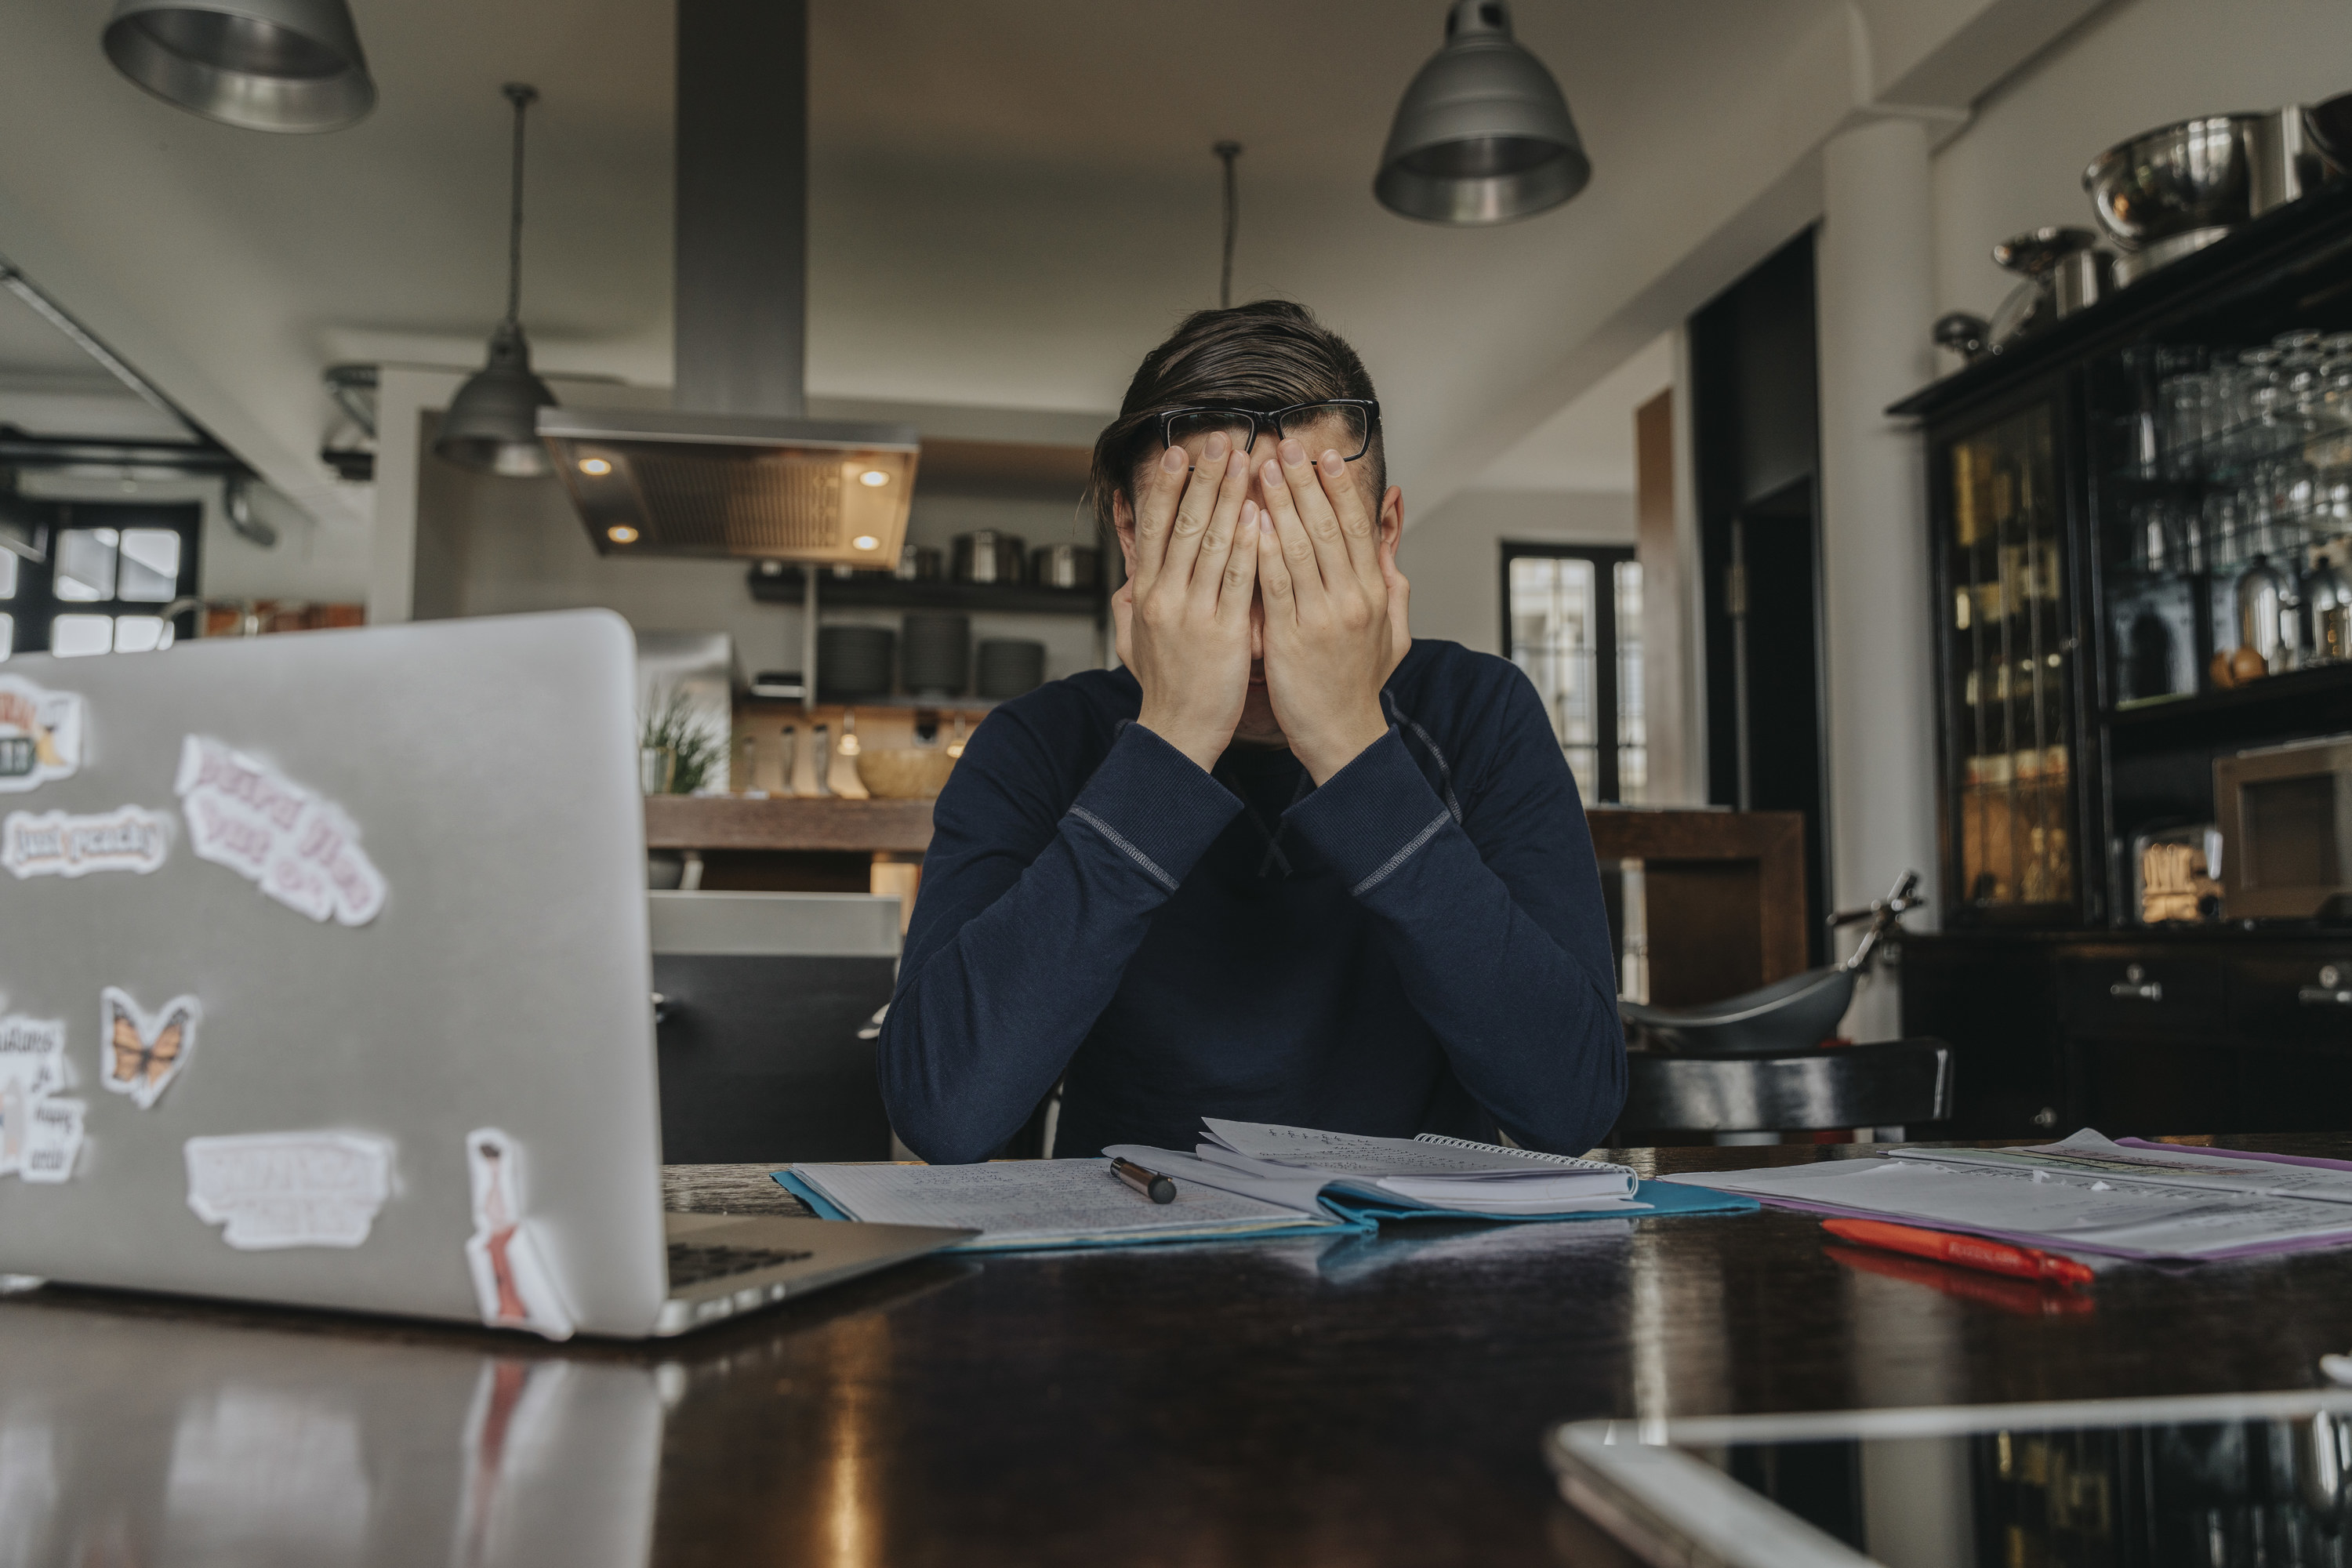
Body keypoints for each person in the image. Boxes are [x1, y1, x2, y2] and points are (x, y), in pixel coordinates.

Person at [877, 300, 1624, 1164]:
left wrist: (1350, 740)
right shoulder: (1039, 745)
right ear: (1131, 532)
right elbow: (942, 1113)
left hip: (1424, 1263)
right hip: (1121, 1260)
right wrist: (1170, 740)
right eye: (1210, 553)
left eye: (1310, 550)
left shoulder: (1479, 714)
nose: (1262, 621)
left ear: (1383, 535)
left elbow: (1570, 1108)